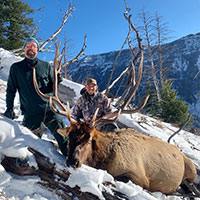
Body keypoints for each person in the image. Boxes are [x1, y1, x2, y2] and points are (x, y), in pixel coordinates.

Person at [4, 37, 67, 156]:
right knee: (27, 147)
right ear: (24, 49)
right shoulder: (16, 68)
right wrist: (9, 108)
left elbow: (52, 89)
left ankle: (72, 165)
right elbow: (11, 90)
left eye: (34, 46)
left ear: (37, 49)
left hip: (49, 110)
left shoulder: (46, 66)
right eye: (28, 46)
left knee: (63, 138)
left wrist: (56, 82)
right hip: (31, 113)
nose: (31, 48)